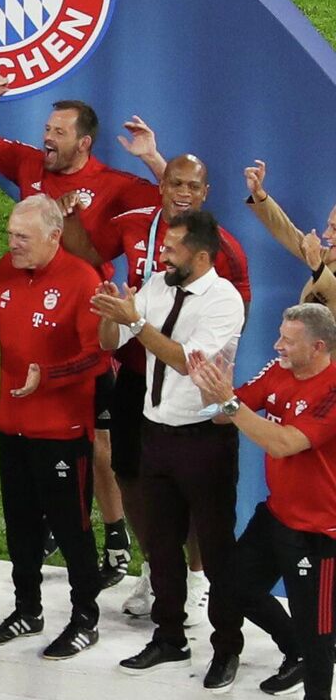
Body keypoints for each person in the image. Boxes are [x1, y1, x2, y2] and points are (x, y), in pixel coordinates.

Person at [0, 78, 162, 573]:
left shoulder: (111, 183)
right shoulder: (31, 163)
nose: (47, 137)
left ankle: (115, 537)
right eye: (46, 129)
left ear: (83, 142)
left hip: (85, 323)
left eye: (58, 131)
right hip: (35, 320)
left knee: (99, 443)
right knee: (39, 435)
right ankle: (57, 523)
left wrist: (152, 158)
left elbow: (174, 197)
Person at [0, 196, 107, 659]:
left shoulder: (82, 280)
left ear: (54, 237)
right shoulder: (6, 271)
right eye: (10, 234)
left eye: (22, 237)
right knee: (21, 527)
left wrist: (47, 377)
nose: (12, 244)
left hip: (63, 432)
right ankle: (27, 609)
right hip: (12, 426)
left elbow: (98, 357)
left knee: (72, 529)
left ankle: (85, 617)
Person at [78, 151, 251, 612]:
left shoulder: (225, 250)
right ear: (162, 185)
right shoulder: (145, 241)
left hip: (195, 390)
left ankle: (196, 580)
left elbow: (232, 319)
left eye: (193, 186)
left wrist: (219, 355)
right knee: (131, 474)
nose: (184, 193)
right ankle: (158, 567)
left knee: (197, 492)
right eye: (176, 183)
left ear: (205, 194)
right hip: (140, 379)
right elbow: (100, 273)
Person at [91, 210, 246, 677]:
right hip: (155, 430)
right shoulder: (158, 285)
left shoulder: (224, 300)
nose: (162, 255)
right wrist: (111, 312)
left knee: (216, 552)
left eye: (172, 248)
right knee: (161, 547)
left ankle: (226, 647)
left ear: (201, 256)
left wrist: (136, 324)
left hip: (203, 438)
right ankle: (169, 637)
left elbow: (187, 363)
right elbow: (109, 343)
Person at [190, 304, 336, 700]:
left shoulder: (332, 392)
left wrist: (230, 405)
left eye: (287, 340)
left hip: (320, 533)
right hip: (277, 515)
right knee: (233, 586)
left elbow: (284, 442)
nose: (276, 345)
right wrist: (214, 391)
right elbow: (225, 413)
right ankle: (292, 651)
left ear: (317, 347)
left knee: (320, 632)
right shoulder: (280, 370)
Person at [244, 160, 336, 308]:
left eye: (334, 229)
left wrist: (318, 266)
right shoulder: (328, 258)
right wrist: (259, 193)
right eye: (329, 226)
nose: (326, 235)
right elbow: (286, 232)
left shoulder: (321, 261)